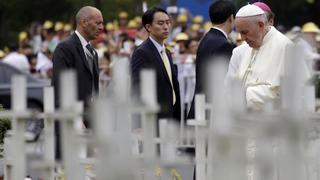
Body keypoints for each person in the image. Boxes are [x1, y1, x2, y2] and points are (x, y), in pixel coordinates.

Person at [51, 6, 103, 160]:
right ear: (84, 22)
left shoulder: (92, 51)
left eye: (102, 23)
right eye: (98, 23)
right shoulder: (65, 48)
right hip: (71, 121)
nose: (102, 27)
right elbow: (61, 87)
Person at [231, 4, 292, 110]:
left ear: (261, 25)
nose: (242, 38)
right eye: (240, 33)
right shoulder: (251, 46)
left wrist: (245, 94)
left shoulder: (284, 46)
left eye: (245, 32)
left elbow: (285, 92)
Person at [130, 6, 181, 122]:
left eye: (168, 23)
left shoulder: (166, 52)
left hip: (170, 115)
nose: (166, 27)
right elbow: (136, 88)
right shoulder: (142, 52)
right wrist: (137, 124)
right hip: (152, 118)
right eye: (161, 23)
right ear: (148, 27)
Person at [188, 0, 236, 118]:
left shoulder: (207, 38)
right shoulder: (222, 44)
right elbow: (221, 81)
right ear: (231, 18)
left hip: (200, 105)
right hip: (211, 110)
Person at [226, 2, 275, 83]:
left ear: (271, 22)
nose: (242, 38)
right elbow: (230, 84)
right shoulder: (239, 52)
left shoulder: (282, 46)